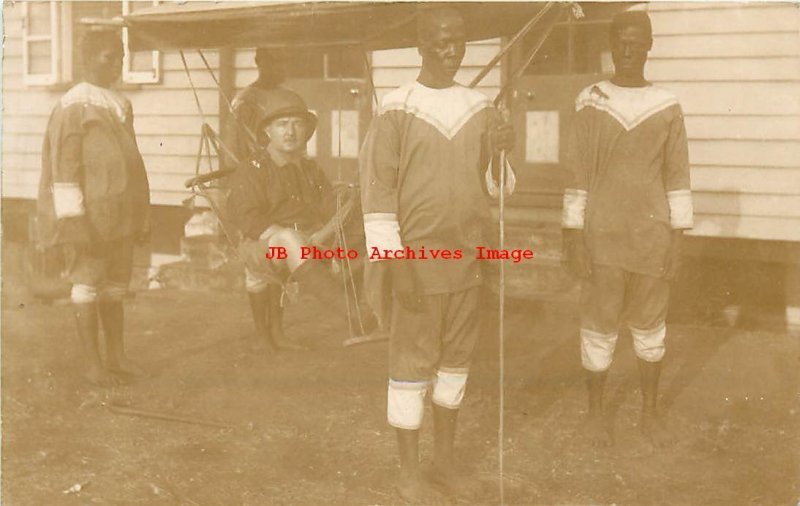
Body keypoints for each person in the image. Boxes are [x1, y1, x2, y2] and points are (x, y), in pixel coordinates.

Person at [359, 7, 515, 502]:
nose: (451, 50)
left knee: (455, 363)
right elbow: (377, 192)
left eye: (458, 41)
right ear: (421, 45)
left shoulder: (481, 107)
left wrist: (499, 151)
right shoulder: (397, 107)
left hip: (466, 260)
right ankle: (408, 472)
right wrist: (396, 264)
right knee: (411, 363)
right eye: (440, 41)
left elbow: (496, 188)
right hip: (416, 263)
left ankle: (444, 462)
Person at [561, 10, 692, 449]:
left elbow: (677, 177)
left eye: (637, 42)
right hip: (603, 236)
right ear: (611, 46)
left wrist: (677, 239)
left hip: (651, 237)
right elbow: (577, 171)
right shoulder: (591, 99)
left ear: (650, 45)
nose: (629, 50)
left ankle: (650, 412)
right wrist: (573, 234)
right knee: (599, 326)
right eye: (621, 42)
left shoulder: (667, 105)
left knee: (650, 328)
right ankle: (596, 415)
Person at [37, 30, 151, 387]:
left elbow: (131, 163)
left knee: (116, 285)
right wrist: (74, 221)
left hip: (121, 212)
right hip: (90, 217)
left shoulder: (119, 104)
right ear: (86, 60)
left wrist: (141, 213)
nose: (116, 63)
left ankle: (117, 356)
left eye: (119, 56)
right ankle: (92, 363)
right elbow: (65, 169)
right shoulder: (74, 104)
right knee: (88, 283)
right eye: (107, 56)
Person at [228, 88, 371, 351]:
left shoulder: (310, 169)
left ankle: (374, 311)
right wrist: (301, 239)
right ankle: (354, 314)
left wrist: (347, 199)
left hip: (310, 244)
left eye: (297, 124)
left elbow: (328, 208)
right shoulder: (253, 168)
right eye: (282, 125)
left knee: (364, 229)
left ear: (306, 131)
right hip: (263, 247)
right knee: (288, 238)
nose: (290, 132)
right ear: (268, 131)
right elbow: (249, 220)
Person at [221, 48, 290, 351]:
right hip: (253, 184)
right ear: (260, 63)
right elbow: (235, 148)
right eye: (273, 60)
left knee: (282, 258)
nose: (279, 67)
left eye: (283, 60)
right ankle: (262, 335)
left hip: (284, 184)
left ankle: (278, 332)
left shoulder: (287, 97)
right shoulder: (246, 101)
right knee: (257, 260)